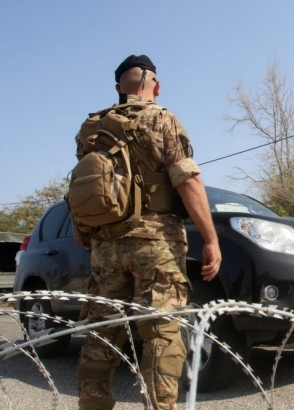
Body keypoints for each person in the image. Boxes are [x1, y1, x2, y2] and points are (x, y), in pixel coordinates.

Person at [75, 55, 222, 410]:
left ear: (118, 89)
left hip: (106, 246)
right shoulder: (161, 118)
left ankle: (92, 404)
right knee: (161, 333)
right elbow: (188, 181)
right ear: (156, 86)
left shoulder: (91, 130)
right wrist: (211, 240)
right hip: (155, 244)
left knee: (101, 333)